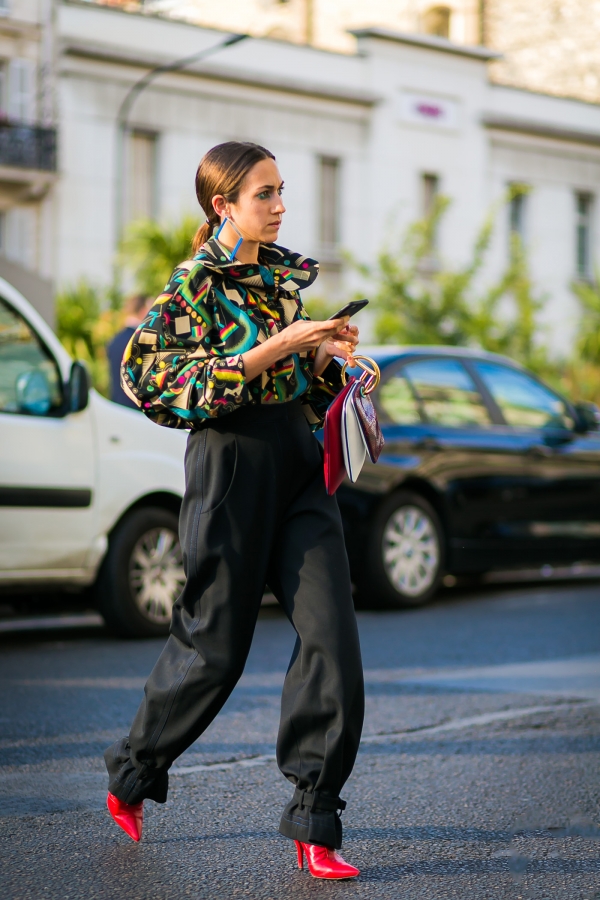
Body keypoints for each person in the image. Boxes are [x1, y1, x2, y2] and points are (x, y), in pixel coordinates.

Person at [104, 141, 365, 880]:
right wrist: (272, 348)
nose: (281, 206)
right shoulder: (191, 288)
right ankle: (135, 768)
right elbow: (147, 379)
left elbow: (297, 383)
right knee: (214, 645)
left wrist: (329, 361)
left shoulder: (280, 280)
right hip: (229, 466)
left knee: (332, 638)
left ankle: (316, 819)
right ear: (224, 205)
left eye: (282, 192)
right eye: (265, 194)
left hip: (296, 463)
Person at [106, 295, 152, 407]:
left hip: (118, 411)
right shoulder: (145, 342)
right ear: (143, 311)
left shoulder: (114, 341)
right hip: (139, 416)